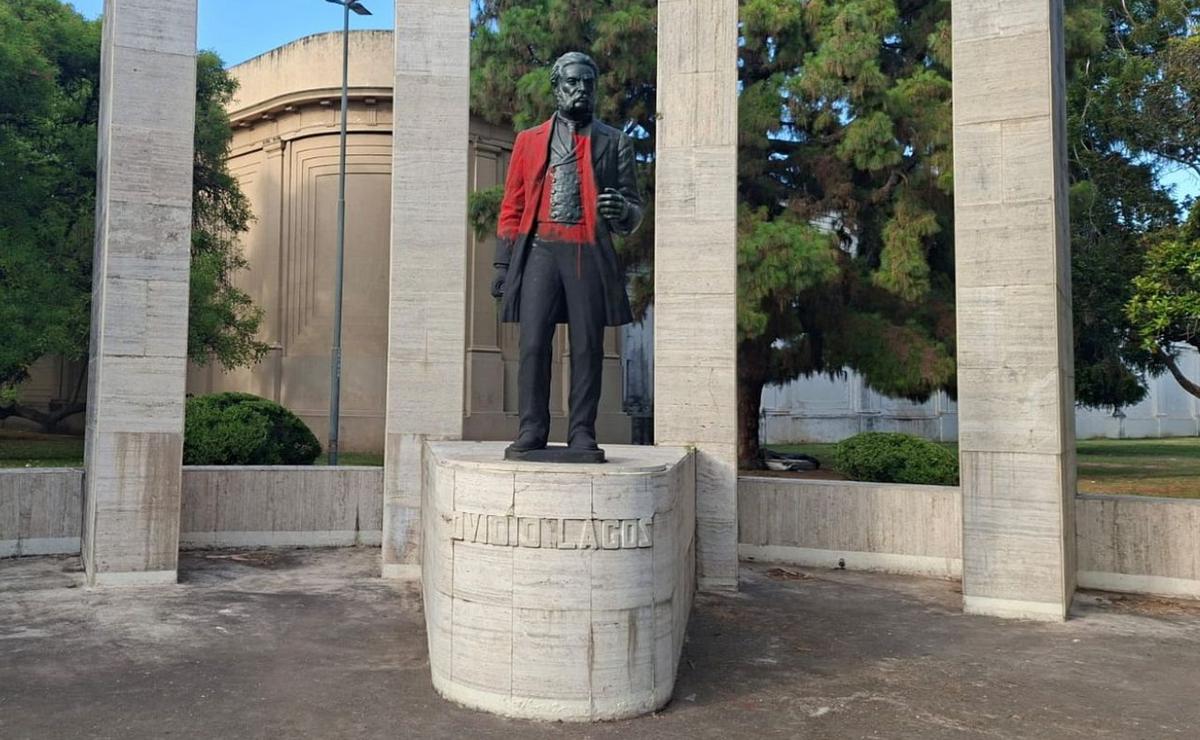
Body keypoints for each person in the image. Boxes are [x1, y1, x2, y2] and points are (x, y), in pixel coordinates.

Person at [491, 51, 643, 459]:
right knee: (533, 343)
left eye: (588, 84)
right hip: (540, 249)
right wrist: (503, 265)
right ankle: (532, 429)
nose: (581, 90)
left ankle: (581, 433)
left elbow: (634, 206)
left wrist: (623, 212)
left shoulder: (615, 142)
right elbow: (512, 206)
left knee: (587, 346)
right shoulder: (528, 141)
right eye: (572, 83)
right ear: (556, 88)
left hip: (587, 251)